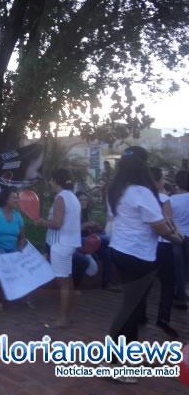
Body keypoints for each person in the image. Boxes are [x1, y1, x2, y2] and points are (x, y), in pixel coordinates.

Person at [106, 147, 180, 383]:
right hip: (138, 256)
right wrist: (176, 238)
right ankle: (119, 364)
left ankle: (129, 356)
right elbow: (159, 227)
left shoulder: (117, 190)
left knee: (133, 308)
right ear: (143, 167)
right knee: (131, 310)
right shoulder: (141, 192)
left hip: (120, 251)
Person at [36, 169, 81, 328]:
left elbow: (57, 223)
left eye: (51, 180)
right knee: (68, 280)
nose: (49, 183)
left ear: (56, 181)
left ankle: (63, 318)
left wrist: (42, 222)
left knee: (63, 282)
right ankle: (67, 315)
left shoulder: (60, 197)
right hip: (69, 243)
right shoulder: (72, 197)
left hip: (60, 244)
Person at [141, 167, 179, 337]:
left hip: (145, 245)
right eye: (162, 179)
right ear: (157, 181)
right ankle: (163, 319)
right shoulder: (164, 198)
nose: (164, 182)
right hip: (163, 244)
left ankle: (140, 315)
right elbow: (169, 222)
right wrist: (177, 237)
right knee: (167, 283)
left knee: (145, 283)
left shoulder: (140, 198)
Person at [170, 169, 189, 310]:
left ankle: (180, 295)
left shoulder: (170, 200)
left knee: (178, 267)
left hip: (176, 236)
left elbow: (169, 221)